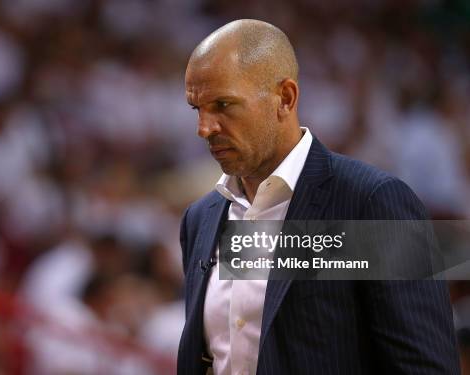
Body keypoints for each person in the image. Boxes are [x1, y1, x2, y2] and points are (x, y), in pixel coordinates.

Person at [177, 19, 460, 374]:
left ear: (285, 97)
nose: (204, 128)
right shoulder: (200, 219)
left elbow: (425, 367)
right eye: (197, 109)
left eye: (223, 105)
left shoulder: (372, 202)